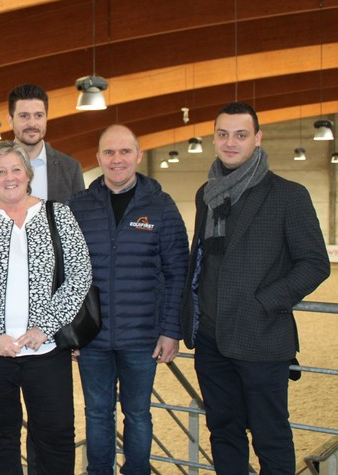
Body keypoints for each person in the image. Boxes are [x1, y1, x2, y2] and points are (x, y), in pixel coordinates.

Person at [180, 102, 329, 474]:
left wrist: (266, 302)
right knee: (224, 432)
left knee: (270, 435)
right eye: (223, 134)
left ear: (258, 139)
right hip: (212, 339)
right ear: (214, 137)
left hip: (261, 338)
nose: (231, 143)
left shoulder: (288, 195)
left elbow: (315, 263)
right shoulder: (207, 194)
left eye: (241, 135)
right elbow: (202, 258)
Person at [0, 140, 92, 475]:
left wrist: (45, 326)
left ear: (28, 174)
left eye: (15, 169)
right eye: (0, 171)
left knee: (56, 434)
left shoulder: (58, 214)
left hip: (46, 351)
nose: (9, 177)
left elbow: (79, 276)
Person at [68, 125, 188, 474]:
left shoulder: (161, 207)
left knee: (137, 414)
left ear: (137, 155)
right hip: (93, 338)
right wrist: (71, 332)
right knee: (97, 413)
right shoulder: (80, 206)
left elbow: (177, 271)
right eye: (109, 152)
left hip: (142, 337)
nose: (116, 159)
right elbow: (66, 274)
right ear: (98, 158)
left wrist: (170, 330)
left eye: (124, 152)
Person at [0, 83, 84, 202]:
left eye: (38, 115)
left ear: (46, 119)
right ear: (10, 120)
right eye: (24, 116)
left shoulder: (70, 168)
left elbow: (80, 217)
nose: (32, 123)